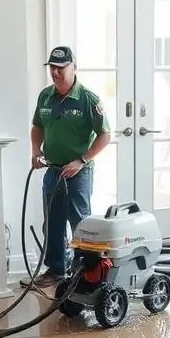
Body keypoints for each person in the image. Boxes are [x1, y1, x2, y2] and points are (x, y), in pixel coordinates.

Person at [24, 46, 111, 288]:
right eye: (52, 67)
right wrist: (36, 150)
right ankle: (56, 270)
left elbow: (105, 134)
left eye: (61, 68)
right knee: (52, 222)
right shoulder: (45, 96)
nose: (56, 72)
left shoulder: (88, 99)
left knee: (81, 224)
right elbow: (37, 126)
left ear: (74, 68)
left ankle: (87, 273)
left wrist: (82, 160)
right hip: (53, 170)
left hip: (78, 172)